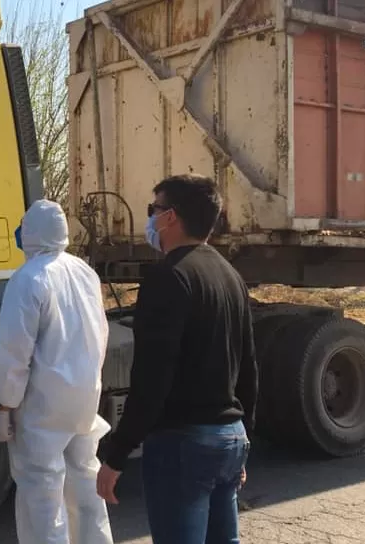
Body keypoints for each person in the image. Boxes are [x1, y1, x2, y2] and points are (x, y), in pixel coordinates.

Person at [96, 174, 258, 544]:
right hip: (229, 439)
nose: (149, 220)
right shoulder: (231, 276)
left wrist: (117, 455)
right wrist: (245, 435)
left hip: (184, 444)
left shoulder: (168, 277)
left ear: (170, 216)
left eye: (153, 210)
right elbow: (248, 365)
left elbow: (152, 378)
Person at [0, 199, 114, 544]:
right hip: (83, 398)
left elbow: (15, 353)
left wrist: (4, 407)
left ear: (30, 233)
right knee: (85, 482)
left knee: (42, 490)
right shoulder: (84, 272)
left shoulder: (27, 279)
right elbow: (100, 333)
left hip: (42, 404)